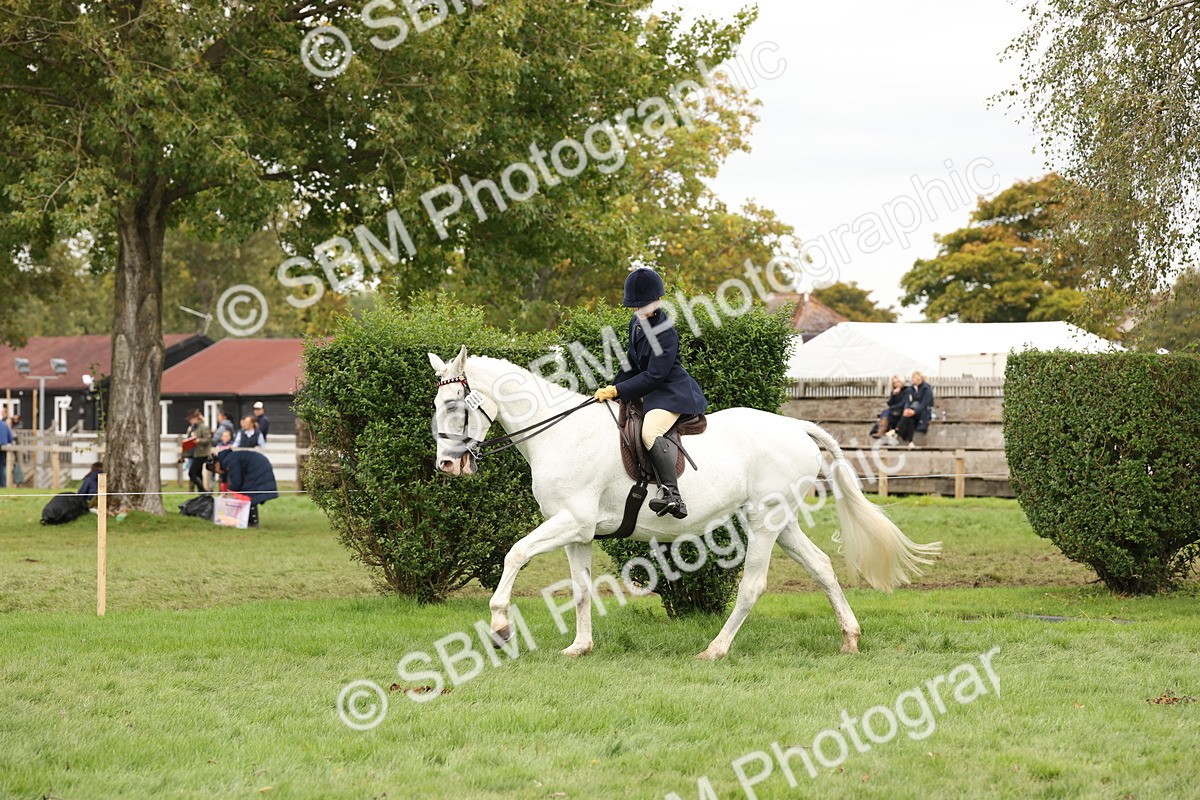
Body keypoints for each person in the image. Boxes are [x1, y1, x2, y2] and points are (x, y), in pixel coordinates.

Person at [593, 267, 708, 519]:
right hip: (650, 390)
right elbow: (631, 365)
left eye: (641, 305)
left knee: (650, 432)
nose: (636, 310)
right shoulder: (636, 323)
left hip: (670, 392)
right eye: (633, 306)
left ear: (657, 301)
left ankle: (673, 495)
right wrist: (612, 389)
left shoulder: (665, 330)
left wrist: (619, 389)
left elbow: (655, 375)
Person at [207, 448, 278, 527]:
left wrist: (231, 493)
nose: (217, 472)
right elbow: (224, 478)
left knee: (249, 494)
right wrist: (224, 492)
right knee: (247, 493)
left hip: (257, 468)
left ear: (217, 464)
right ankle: (249, 521)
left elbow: (236, 481)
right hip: (257, 465)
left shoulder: (229, 461)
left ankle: (254, 523)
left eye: (215, 470)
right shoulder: (226, 460)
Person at [895, 370, 935, 448]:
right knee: (909, 419)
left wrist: (914, 412)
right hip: (913, 410)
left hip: (924, 411)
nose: (912, 380)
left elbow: (924, 404)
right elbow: (908, 401)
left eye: (913, 378)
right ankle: (910, 441)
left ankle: (897, 430)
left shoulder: (926, 389)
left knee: (910, 417)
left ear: (918, 379)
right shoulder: (911, 389)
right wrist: (906, 409)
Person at [179, 409, 212, 493]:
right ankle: (201, 492)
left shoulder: (203, 427)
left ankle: (203, 490)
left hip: (201, 453)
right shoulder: (191, 428)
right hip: (193, 453)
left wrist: (199, 441)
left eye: (192, 419)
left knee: (192, 473)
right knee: (198, 473)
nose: (190, 421)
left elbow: (208, 439)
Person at [872, 375, 907, 439]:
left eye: (897, 382)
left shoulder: (906, 390)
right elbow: (890, 403)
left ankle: (881, 430)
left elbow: (903, 403)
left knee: (887, 412)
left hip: (901, 410)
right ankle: (881, 430)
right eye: (894, 383)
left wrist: (892, 408)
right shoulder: (894, 391)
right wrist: (894, 395)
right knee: (885, 412)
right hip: (894, 410)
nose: (895, 384)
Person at [0, 409, 14, 488]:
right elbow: (10, 438)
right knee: (2, 467)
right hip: (3, 447)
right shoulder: (5, 425)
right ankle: (2, 484)